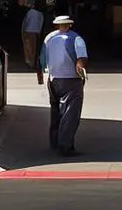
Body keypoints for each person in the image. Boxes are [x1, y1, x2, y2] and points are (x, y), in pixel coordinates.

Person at [39, 15, 87, 157]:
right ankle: (65, 146)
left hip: (53, 79)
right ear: (69, 25)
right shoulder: (76, 38)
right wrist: (82, 76)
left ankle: (54, 142)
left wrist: (42, 74)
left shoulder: (49, 38)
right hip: (71, 79)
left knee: (56, 111)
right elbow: (81, 59)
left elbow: (42, 59)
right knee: (70, 114)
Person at [21, 0, 44, 68]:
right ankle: (34, 62)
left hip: (28, 32)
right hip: (36, 33)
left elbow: (26, 22)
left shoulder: (30, 12)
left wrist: (23, 31)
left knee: (28, 48)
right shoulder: (41, 14)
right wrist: (39, 33)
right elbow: (41, 24)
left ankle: (30, 62)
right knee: (35, 48)